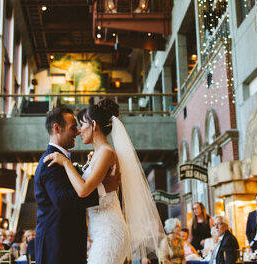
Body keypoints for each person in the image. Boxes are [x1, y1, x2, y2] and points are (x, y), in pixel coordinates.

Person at [42, 100, 166, 264]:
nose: (79, 131)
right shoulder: (98, 154)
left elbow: (83, 190)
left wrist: (65, 163)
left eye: (82, 124)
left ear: (93, 125)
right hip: (101, 233)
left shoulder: (106, 153)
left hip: (110, 233)